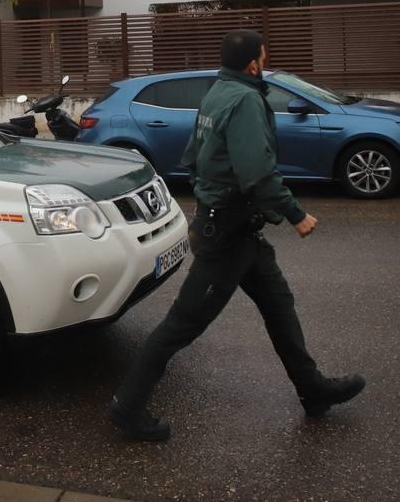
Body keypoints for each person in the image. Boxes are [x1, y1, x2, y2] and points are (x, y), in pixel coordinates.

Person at [107, 29, 365, 442]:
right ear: (252, 64)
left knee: (280, 307)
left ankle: (312, 390)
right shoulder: (245, 100)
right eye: (265, 55)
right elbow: (256, 173)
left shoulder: (218, 91)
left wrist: (211, 196)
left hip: (241, 229)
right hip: (226, 234)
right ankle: (128, 406)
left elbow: (192, 156)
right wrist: (296, 215)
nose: (266, 60)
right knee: (182, 324)